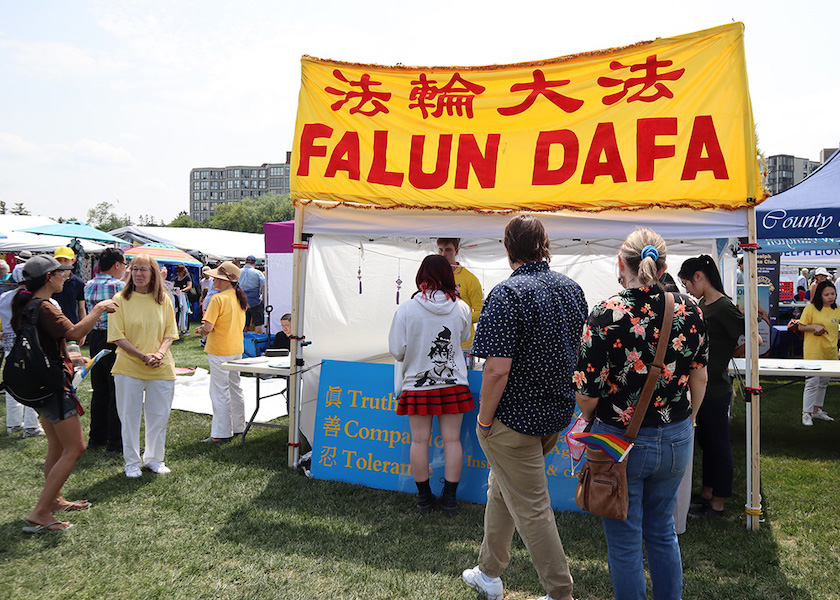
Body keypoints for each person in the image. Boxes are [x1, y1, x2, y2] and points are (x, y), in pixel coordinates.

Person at [575, 228, 708, 600]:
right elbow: (700, 376)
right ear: (665, 265)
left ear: (621, 263)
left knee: (625, 543)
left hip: (618, 441)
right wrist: (689, 421)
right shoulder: (692, 309)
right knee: (662, 531)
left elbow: (586, 397)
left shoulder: (606, 314)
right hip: (677, 435)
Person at [461, 216, 585, 600]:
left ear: (507, 246)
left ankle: (560, 592)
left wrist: (484, 420)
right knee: (503, 487)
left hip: (514, 420)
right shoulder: (572, 289)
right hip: (554, 414)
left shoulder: (507, 294)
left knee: (531, 507)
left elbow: (496, 370)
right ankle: (489, 572)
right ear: (544, 243)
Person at [13, 255, 117, 532]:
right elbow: (73, 332)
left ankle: (55, 500)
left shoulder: (24, 303)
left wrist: (71, 357)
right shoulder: (44, 307)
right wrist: (99, 310)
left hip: (37, 382)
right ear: (49, 277)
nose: (67, 277)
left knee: (57, 446)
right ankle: (41, 512)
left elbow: (53, 341)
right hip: (52, 386)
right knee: (75, 447)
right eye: (62, 273)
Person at [388, 255, 473, 516]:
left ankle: (424, 499)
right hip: (453, 383)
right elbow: (465, 338)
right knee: (452, 441)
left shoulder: (406, 309)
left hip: (417, 383)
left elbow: (397, 350)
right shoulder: (461, 308)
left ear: (421, 276)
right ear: (449, 276)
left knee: (419, 441)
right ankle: (450, 499)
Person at [678, 255, 745, 519]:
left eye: (687, 284)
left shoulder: (724, 307)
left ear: (698, 276)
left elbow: (753, 338)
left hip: (716, 387)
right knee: (706, 444)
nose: (687, 291)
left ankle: (718, 503)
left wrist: (727, 355)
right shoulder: (704, 303)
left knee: (719, 446)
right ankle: (707, 493)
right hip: (701, 387)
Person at [108, 255, 179, 478]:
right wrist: (141, 355)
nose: (139, 274)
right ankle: (132, 462)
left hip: (161, 367)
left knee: (159, 416)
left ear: (153, 273)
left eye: (144, 270)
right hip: (129, 367)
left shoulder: (164, 299)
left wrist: (158, 353)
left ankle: (154, 458)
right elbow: (117, 336)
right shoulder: (119, 299)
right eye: (135, 269)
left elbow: (170, 332)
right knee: (129, 417)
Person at [195, 261, 247, 443]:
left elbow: (208, 326)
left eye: (217, 276)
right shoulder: (239, 298)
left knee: (219, 391)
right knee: (235, 387)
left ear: (225, 280)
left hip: (219, 350)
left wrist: (202, 331)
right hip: (236, 349)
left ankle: (221, 433)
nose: (213, 279)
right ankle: (239, 426)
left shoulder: (218, 299)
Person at [84, 248, 127, 453]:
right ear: (117, 264)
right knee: (116, 390)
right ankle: (115, 442)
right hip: (114, 339)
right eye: (125, 264)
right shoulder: (119, 286)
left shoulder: (89, 284)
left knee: (99, 389)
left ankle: (95, 438)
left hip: (95, 338)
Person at [2, 278, 44, 438]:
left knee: (12, 386)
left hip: (10, 347)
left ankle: (14, 424)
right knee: (33, 387)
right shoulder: (38, 300)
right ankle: (31, 426)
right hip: (30, 348)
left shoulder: (4, 297)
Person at [798, 279, 840, 426]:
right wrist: (814, 327)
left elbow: (837, 330)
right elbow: (801, 327)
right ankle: (806, 413)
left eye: (833, 294)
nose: (830, 297)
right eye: (827, 294)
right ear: (820, 296)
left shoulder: (837, 309)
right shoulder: (810, 309)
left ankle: (817, 410)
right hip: (814, 351)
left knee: (823, 383)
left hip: (831, 352)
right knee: (812, 382)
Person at [436, 238, 483, 360]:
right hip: (437, 341)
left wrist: (459, 318)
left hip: (463, 344)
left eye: (448, 250)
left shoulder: (470, 279)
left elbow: (481, 312)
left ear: (456, 251)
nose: (443, 254)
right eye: (440, 250)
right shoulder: (434, 277)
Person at [51, 247, 88, 325]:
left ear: (73, 261)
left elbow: (81, 308)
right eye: (59, 260)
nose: (62, 263)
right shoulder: (49, 280)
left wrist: (84, 329)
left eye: (65, 260)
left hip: (71, 324)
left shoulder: (78, 283)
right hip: (52, 323)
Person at [239, 255, 266, 334]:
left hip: (241, 301)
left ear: (245, 262)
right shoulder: (258, 273)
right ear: (254, 263)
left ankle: (242, 342)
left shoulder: (238, 272)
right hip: (255, 302)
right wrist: (263, 300)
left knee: (243, 324)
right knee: (258, 324)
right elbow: (263, 287)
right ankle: (257, 342)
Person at [172, 264, 193, 335]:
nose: (178, 273)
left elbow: (189, 286)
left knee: (185, 311)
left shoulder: (187, 277)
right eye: (177, 272)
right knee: (179, 312)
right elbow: (173, 285)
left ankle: (186, 329)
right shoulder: (176, 278)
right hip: (177, 297)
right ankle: (180, 329)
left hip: (185, 296)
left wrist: (182, 290)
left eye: (179, 272)